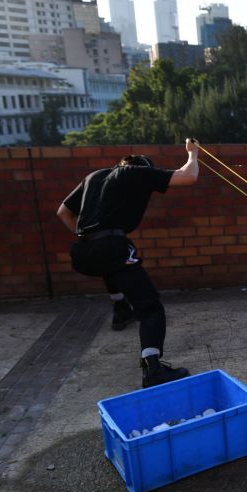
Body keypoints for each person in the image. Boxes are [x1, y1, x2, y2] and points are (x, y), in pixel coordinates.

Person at [56, 139, 200, 388]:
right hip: (110, 247)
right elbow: (188, 176)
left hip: (81, 252)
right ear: (141, 167)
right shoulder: (135, 172)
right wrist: (193, 153)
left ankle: (120, 307)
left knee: (114, 262)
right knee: (151, 308)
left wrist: (89, 241)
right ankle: (152, 369)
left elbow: (63, 212)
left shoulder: (95, 176)